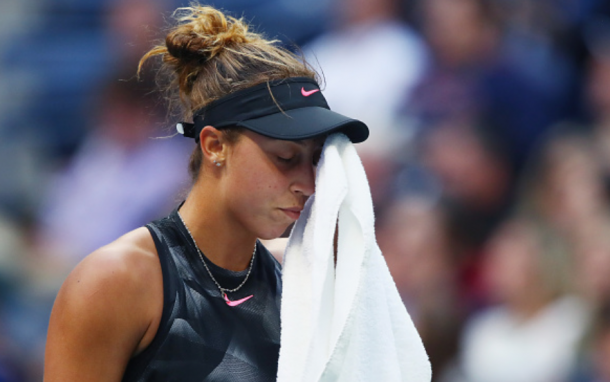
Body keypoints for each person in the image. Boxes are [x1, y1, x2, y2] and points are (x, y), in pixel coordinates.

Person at [43, 5, 368, 382]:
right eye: (285, 158)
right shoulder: (115, 280)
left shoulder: (300, 269)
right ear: (214, 146)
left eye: (314, 162)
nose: (308, 185)